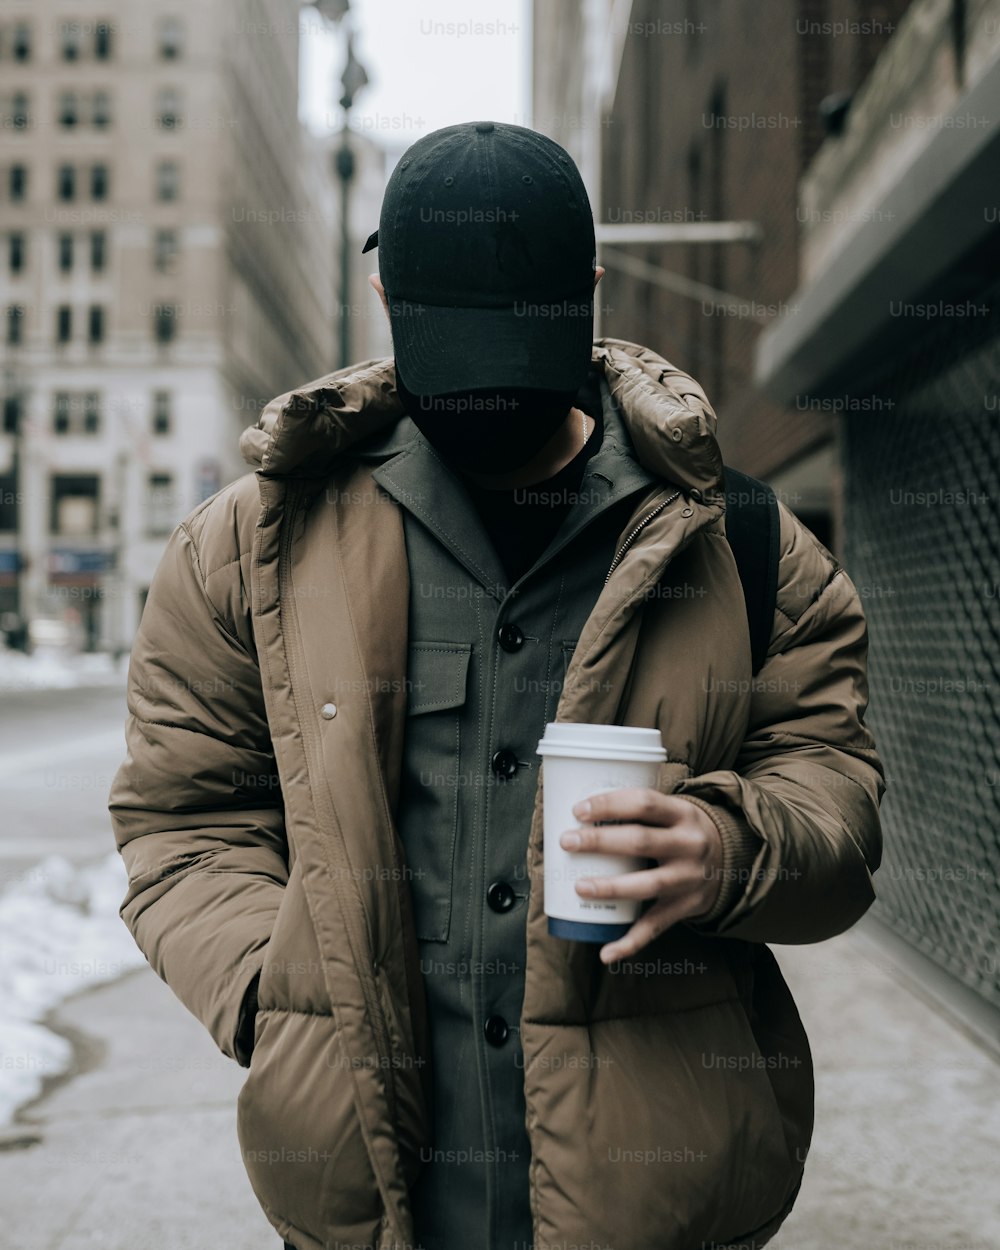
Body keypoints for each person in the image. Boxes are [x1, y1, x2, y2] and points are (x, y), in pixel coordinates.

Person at [108, 121, 884, 1250]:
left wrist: (730, 847)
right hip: (363, 1200)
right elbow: (183, 815)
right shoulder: (246, 550)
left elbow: (842, 810)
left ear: (593, 292)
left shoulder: (751, 548)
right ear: (384, 297)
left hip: (661, 1203)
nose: (490, 411)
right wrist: (273, 1000)